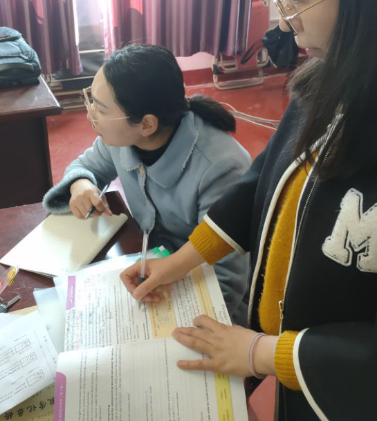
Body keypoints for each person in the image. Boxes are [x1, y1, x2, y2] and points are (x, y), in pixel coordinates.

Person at [121, 0, 377, 419]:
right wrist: (181, 261)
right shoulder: (330, 78)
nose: (283, 21)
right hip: (294, 368)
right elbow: (264, 185)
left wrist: (260, 353)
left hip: (346, 392)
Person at [43, 44, 252, 324]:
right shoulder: (122, 138)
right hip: (146, 268)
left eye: (100, 109)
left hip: (200, 293)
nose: (90, 114)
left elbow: (226, 279)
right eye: (91, 100)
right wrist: (81, 184)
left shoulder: (220, 167)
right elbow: (84, 166)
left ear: (146, 125)